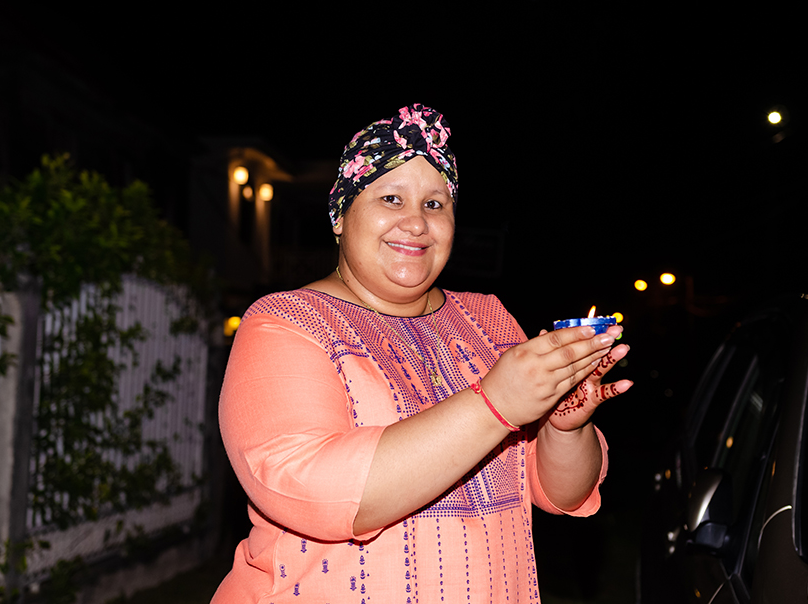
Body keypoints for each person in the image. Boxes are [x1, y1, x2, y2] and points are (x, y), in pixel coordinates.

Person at [212, 104, 633, 603]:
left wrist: (564, 426)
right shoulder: (287, 322)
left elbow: (560, 493)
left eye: (435, 204)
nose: (415, 223)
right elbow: (312, 489)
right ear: (340, 215)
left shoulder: (489, 319)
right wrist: (495, 404)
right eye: (391, 198)